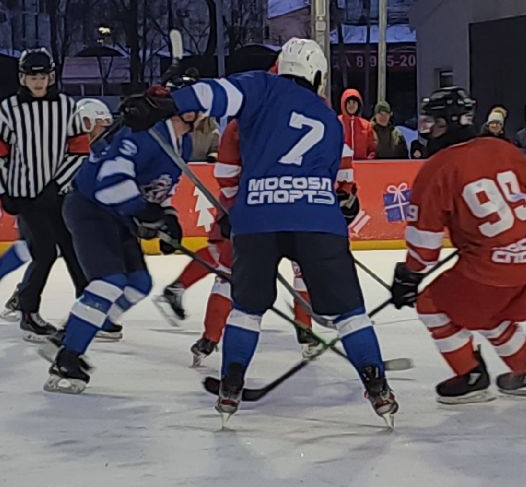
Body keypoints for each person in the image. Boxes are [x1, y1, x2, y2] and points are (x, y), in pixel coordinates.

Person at [140, 38, 397, 423]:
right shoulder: (329, 117)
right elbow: (337, 178)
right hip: (316, 218)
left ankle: (230, 385)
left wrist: (169, 103)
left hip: (257, 216)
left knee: (246, 309)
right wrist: (343, 201)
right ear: (316, 74)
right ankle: (377, 386)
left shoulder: (262, 86)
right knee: (350, 314)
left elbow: (216, 92)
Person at [390, 85, 526, 402]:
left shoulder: (436, 170)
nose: (427, 130)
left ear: (450, 122)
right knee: (490, 312)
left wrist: (409, 276)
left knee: (431, 305)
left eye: (433, 123)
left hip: (489, 268)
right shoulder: (500, 147)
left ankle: (469, 375)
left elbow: (424, 245)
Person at [35, 91, 197, 395]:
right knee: (108, 283)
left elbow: (163, 187)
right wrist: (144, 213)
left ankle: (71, 333)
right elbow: (110, 184)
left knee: (138, 282)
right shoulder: (144, 135)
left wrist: (168, 217)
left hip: (116, 213)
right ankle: (67, 357)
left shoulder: (183, 143)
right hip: (90, 207)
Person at [159, 115, 317, 365]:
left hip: (265, 204)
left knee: (231, 268)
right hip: (274, 204)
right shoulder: (259, 122)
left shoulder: (255, 121)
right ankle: (211, 334)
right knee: (227, 267)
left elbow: (227, 171)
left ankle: (302, 329)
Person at [0, 49, 90, 342]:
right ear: (23, 77)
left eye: (42, 75)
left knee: (73, 249)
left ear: (51, 76)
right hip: (25, 195)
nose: (38, 81)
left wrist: (57, 184)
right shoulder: (8, 109)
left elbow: (80, 150)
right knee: (44, 251)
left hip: (59, 194)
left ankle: (89, 309)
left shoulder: (67, 107)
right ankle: (29, 312)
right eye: (33, 76)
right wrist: (3, 190)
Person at [0, 98, 112, 317]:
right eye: (99, 125)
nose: (102, 131)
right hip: (38, 203)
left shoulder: (100, 150)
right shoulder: (58, 144)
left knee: (68, 254)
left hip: (65, 207)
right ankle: (13, 289)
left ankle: (82, 303)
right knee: (37, 250)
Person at [338, 88, 377, 160]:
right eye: (349, 102)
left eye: (354, 103)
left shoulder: (366, 125)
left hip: (362, 167)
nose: (351, 105)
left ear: (358, 105)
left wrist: (368, 163)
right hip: (342, 167)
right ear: (344, 104)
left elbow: (372, 149)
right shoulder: (337, 123)